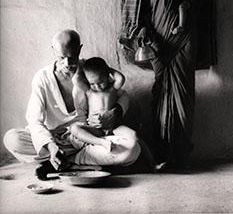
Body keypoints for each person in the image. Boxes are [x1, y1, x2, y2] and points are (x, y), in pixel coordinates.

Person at [3, 29, 141, 180]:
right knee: (12, 139)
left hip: (87, 138)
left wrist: (117, 111)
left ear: (79, 49)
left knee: (132, 149)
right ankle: (73, 161)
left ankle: (67, 162)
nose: (67, 64)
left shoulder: (90, 70)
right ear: (53, 51)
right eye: (62, 57)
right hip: (56, 140)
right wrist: (51, 146)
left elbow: (122, 94)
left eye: (71, 57)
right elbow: (34, 120)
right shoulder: (42, 78)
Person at [120, 0, 197, 169]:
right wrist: (141, 27)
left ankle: (181, 155)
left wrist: (185, 18)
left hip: (181, 37)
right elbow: (140, 5)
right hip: (158, 39)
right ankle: (162, 154)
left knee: (182, 96)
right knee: (161, 92)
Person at [69, 57, 131, 152]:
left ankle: (153, 164)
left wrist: (107, 69)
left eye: (101, 82)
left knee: (134, 136)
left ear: (107, 76)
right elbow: (76, 80)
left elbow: (121, 78)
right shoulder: (89, 91)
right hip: (96, 129)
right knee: (74, 128)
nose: (97, 86)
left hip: (114, 127)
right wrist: (81, 67)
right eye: (92, 83)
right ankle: (101, 142)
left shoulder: (112, 89)